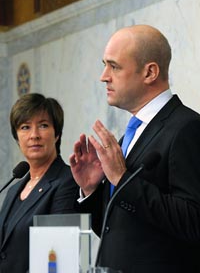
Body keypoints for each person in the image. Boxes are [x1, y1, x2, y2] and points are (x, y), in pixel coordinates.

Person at [69, 24, 200, 273]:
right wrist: (91, 190)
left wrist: (121, 179)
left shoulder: (186, 128)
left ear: (149, 72)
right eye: (103, 65)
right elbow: (118, 228)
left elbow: (193, 222)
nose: (103, 76)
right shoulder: (131, 135)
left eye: (114, 66)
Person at [0, 93, 79, 273]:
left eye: (43, 125)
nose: (34, 135)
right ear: (17, 136)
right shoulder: (13, 189)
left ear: (56, 134)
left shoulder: (67, 181)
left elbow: (58, 256)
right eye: (25, 127)